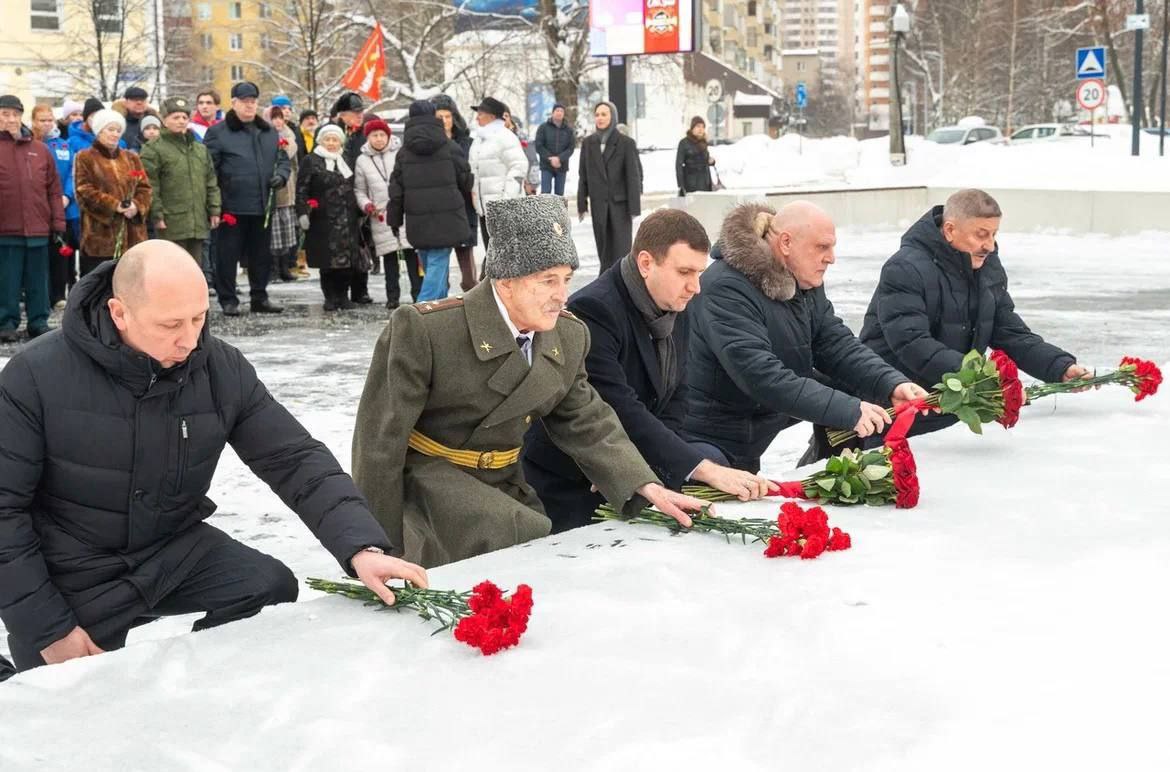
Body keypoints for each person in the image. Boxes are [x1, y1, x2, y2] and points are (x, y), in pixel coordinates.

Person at [0, 241, 428, 675]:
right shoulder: (35, 376)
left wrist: (362, 546)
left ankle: (193, 686)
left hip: (171, 549)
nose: (189, 340)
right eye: (170, 325)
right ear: (119, 313)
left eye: (198, 318)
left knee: (267, 588)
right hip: (72, 568)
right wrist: (48, 630)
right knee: (66, 701)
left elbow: (294, 458)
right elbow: (3, 511)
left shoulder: (220, 368)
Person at [352, 194, 706, 568]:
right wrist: (378, 544)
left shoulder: (568, 336)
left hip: (506, 481)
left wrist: (643, 485)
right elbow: (378, 445)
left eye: (566, 279)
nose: (562, 295)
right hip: (429, 487)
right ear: (505, 282)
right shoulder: (427, 331)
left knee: (536, 550)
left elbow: (588, 422)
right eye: (547, 281)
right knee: (518, 535)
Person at [522, 209, 779, 532]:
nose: (695, 286)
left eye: (699, 272)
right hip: (571, 480)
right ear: (646, 263)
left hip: (630, 470)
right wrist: (701, 469)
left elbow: (674, 397)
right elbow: (619, 406)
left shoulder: (674, 304)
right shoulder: (596, 310)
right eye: (685, 271)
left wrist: (647, 469)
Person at [682, 201, 927, 472]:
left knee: (850, 389)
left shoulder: (802, 278)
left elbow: (835, 343)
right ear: (786, 243)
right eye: (822, 247)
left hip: (759, 416)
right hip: (711, 430)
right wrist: (847, 410)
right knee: (724, 497)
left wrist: (890, 383)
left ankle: (829, 470)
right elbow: (761, 375)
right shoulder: (725, 287)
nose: (831, 257)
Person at [859, 189, 1090, 438]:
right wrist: (985, 379)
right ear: (949, 230)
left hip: (948, 404)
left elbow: (1007, 330)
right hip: (891, 408)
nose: (989, 245)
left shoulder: (986, 266)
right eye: (981, 235)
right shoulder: (905, 268)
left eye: (993, 234)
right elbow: (913, 344)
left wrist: (1058, 366)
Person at [203, 81, 289, 316]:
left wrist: (280, 176)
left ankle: (259, 296)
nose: (250, 106)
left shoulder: (269, 131)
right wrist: (215, 204)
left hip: (262, 204)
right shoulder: (218, 133)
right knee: (227, 256)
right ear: (234, 103)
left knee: (261, 255)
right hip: (231, 207)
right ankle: (228, 298)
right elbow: (209, 170)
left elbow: (282, 160)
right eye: (245, 101)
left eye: (253, 101)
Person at [388, 100, 472, 303]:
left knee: (430, 263)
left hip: (417, 219)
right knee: (437, 265)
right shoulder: (449, 147)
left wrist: (394, 219)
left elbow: (396, 190)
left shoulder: (403, 153)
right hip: (447, 217)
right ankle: (421, 313)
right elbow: (465, 179)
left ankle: (436, 313)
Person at [0, 95, 66, 343]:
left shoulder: (39, 150)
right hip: (6, 229)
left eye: (15, 114)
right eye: (5, 114)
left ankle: (39, 322)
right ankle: (6, 323)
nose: (10, 119)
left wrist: (58, 223)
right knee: (7, 280)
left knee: (39, 280)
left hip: (38, 228)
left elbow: (53, 189)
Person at [140, 98, 221, 264]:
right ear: (164, 120)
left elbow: (210, 182)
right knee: (172, 268)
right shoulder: (153, 149)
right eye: (175, 117)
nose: (181, 121)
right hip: (171, 222)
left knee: (194, 267)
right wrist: (157, 215)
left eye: (184, 117)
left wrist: (214, 209)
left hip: (197, 219)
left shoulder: (199, 149)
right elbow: (150, 185)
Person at [73, 110, 152, 277]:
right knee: (101, 285)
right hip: (101, 235)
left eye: (118, 130)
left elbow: (144, 187)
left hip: (132, 235)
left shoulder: (132, 158)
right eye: (110, 129)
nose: (115, 134)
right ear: (99, 131)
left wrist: (136, 205)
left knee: (130, 283)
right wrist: (115, 205)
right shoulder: (85, 157)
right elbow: (84, 190)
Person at [355, 117, 422, 309]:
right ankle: (392, 297)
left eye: (382, 135)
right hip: (381, 214)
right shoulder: (362, 160)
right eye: (374, 135)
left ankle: (417, 293)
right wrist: (367, 205)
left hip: (404, 210)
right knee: (389, 258)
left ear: (388, 136)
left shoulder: (401, 153)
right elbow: (359, 190)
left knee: (410, 254)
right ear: (368, 138)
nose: (378, 139)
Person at [297, 123, 361, 311]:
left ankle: (343, 295)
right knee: (328, 262)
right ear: (321, 141)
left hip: (347, 219)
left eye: (335, 139)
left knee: (347, 262)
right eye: (327, 139)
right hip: (322, 220)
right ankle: (330, 297)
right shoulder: (311, 160)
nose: (331, 143)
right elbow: (302, 189)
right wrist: (302, 212)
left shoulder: (346, 159)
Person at [577, 101, 642, 274]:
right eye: (597, 114)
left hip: (620, 205)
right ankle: (606, 284)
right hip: (599, 205)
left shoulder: (625, 142)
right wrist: (582, 203)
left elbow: (632, 176)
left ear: (612, 117)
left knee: (621, 250)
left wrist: (634, 207)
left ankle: (624, 281)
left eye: (604, 114)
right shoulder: (588, 143)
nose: (600, 118)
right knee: (604, 250)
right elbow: (583, 175)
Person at [30, 103, 78, 308]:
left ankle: (59, 294)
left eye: (50, 119)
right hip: (38, 207)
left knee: (61, 250)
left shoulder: (63, 145)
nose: (47, 124)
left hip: (62, 207)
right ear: (34, 121)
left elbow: (71, 173)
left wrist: (67, 195)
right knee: (41, 254)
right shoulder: (29, 143)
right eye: (42, 120)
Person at [430, 93, 478, 292]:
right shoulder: (429, 143)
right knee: (441, 261)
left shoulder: (466, 142)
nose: (445, 121)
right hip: (439, 206)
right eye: (440, 117)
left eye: (448, 116)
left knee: (466, 261)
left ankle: (473, 298)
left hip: (463, 203)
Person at [468, 96, 527, 254]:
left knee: (507, 255)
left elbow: (519, 167)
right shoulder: (479, 140)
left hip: (502, 208)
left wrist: (506, 200)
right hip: (485, 208)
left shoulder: (505, 137)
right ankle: (495, 279)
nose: (477, 117)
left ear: (492, 116)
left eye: (480, 113)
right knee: (493, 254)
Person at [265, 105, 300, 283]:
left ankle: (285, 266)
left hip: (288, 188)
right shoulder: (263, 137)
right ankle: (273, 268)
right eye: (274, 118)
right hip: (271, 190)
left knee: (287, 231)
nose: (278, 121)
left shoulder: (290, 136)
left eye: (280, 118)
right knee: (273, 234)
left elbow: (293, 162)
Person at [534, 103, 575, 195]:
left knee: (559, 195)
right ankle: (544, 210)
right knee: (545, 194)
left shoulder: (568, 130)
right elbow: (538, 146)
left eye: (561, 111)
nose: (559, 113)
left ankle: (559, 210)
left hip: (562, 165)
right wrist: (550, 158)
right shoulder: (543, 128)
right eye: (557, 110)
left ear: (564, 114)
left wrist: (559, 158)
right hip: (546, 165)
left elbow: (571, 148)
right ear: (552, 113)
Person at [503, 111, 541, 195]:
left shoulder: (523, 139)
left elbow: (533, 161)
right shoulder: (500, 138)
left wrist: (531, 184)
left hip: (522, 183)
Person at [676, 116, 715, 196]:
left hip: (705, 183)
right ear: (692, 128)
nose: (701, 129)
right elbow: (678, 165)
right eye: (698, 126)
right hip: (691, 184)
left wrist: (711, 161)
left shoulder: (703, 142)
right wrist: (681, 186)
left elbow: (705, 159)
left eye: (703, 127)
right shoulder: (684, 143)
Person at [114, 86, 156, 153]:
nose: (139, 102)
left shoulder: (155, 121)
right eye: (134, 99)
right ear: (126, 102)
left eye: (143, 99)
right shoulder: (116, 122)